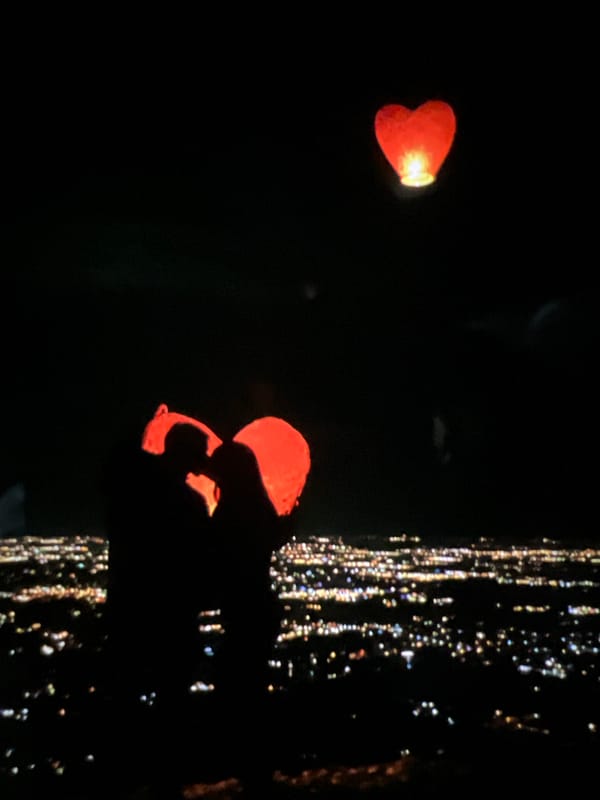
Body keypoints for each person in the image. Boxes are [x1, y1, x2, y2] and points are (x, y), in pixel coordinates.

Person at [101, 420, 214, 797]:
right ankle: (165, 781)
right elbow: (200, 559)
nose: (203, 461)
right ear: (187, 453)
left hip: (130, 608)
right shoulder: (187, 502)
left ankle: (124, 777)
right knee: (171, 699)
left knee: (127, 696)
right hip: (172, 613)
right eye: (200, 453)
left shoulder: (131, 490)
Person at [206, 439, 294, 795]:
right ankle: (257, 768)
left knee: (240, 687)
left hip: (246, 608)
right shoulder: (257, 506)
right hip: (258, 606)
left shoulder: (233, 510)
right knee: (250, 685)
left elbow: (222, 559)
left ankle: (252, 768)